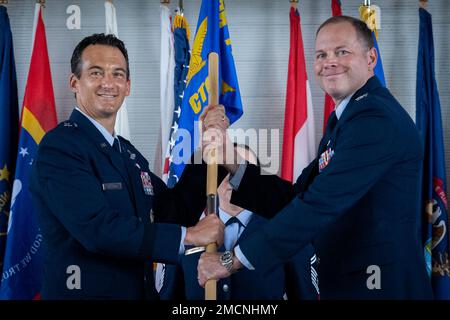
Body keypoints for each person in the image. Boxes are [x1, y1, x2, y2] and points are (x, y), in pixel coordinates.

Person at [197, 16, 433, 299]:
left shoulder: (375, 118)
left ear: (371, 58)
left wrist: (229, 260)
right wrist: (228, 156)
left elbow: (318, 205)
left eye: (342, 51)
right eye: (321, 54)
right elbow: (296, 197)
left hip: (380, 287)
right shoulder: (345, 120)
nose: (329, 61)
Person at [28, 33, 226, 300]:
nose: (108, 83)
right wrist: (188, 236)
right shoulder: (61, 148)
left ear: (128, 85)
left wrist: (208, 149)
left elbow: (174, 211)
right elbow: (97, 229)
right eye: (96, 73)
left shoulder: (127, 153)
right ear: (75, 82)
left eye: (118, 74)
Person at [159, 144, 319, 300]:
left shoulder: (286, 230)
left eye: (240, 171)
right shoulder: (186, 233)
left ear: (257, 180)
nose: (232, 180)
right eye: (224, 170)